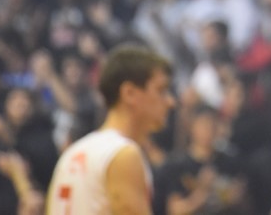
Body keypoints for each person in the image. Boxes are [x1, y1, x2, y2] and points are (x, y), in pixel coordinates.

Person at [46, 44, 175, 215]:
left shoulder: (72, 154)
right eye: (161, 90)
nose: (170, 102)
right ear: (129, 93)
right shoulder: (123, 154)